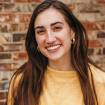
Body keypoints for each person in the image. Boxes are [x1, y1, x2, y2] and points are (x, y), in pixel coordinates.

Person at [7, 0, 105, 105]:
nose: (49, 39)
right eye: (41, 31)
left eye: (57, 28)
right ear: (35, 38)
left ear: (72, 32)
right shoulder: (21, 80)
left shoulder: (99, 82)